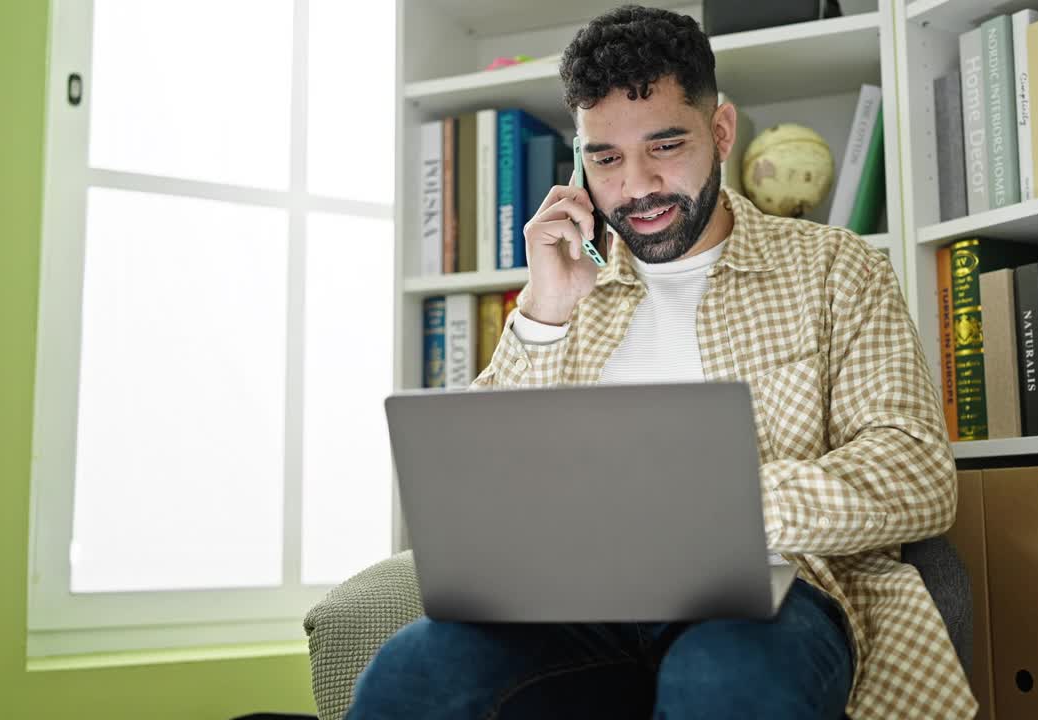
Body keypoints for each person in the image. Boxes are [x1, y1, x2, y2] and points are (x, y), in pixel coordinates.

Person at [348, 5, 975, 719]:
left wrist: (718, 511)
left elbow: (916, 471)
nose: (637, 186)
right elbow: (485, 486)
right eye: (606, 158)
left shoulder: (836, 269)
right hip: (575, 607)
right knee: (413, 673)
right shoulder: (561, 291)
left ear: (722, 131)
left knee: (724, 683)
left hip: (770, 601)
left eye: (665, 145)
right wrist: (545, 314)